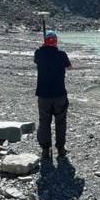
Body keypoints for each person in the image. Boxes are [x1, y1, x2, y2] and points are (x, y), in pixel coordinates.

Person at [34, 29, 73, 158]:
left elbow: (36, 60)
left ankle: (45, 149)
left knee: (44, 121)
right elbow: (69, 67)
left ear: (45, 41)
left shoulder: (39, 53)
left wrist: (43, 47)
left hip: (43, 94)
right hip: (59, 93)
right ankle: (60, 148)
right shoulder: (62, 54)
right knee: (60, 121)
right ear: (56, 41)